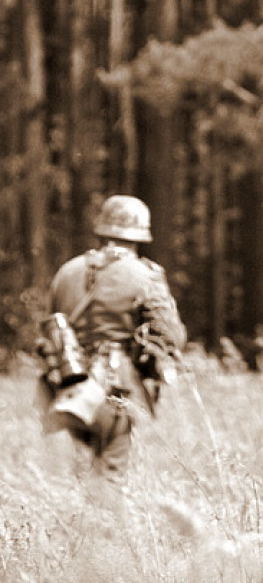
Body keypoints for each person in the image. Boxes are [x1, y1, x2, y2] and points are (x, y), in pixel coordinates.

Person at [39, 194, 187, 476]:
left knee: (76, 477)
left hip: (65, 389)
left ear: (102, 229)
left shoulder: (67, 271)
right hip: (115, 388)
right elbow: (172, 338)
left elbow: (48, 328)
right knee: (111, 477)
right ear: (140, 234)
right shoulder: (146, 275)